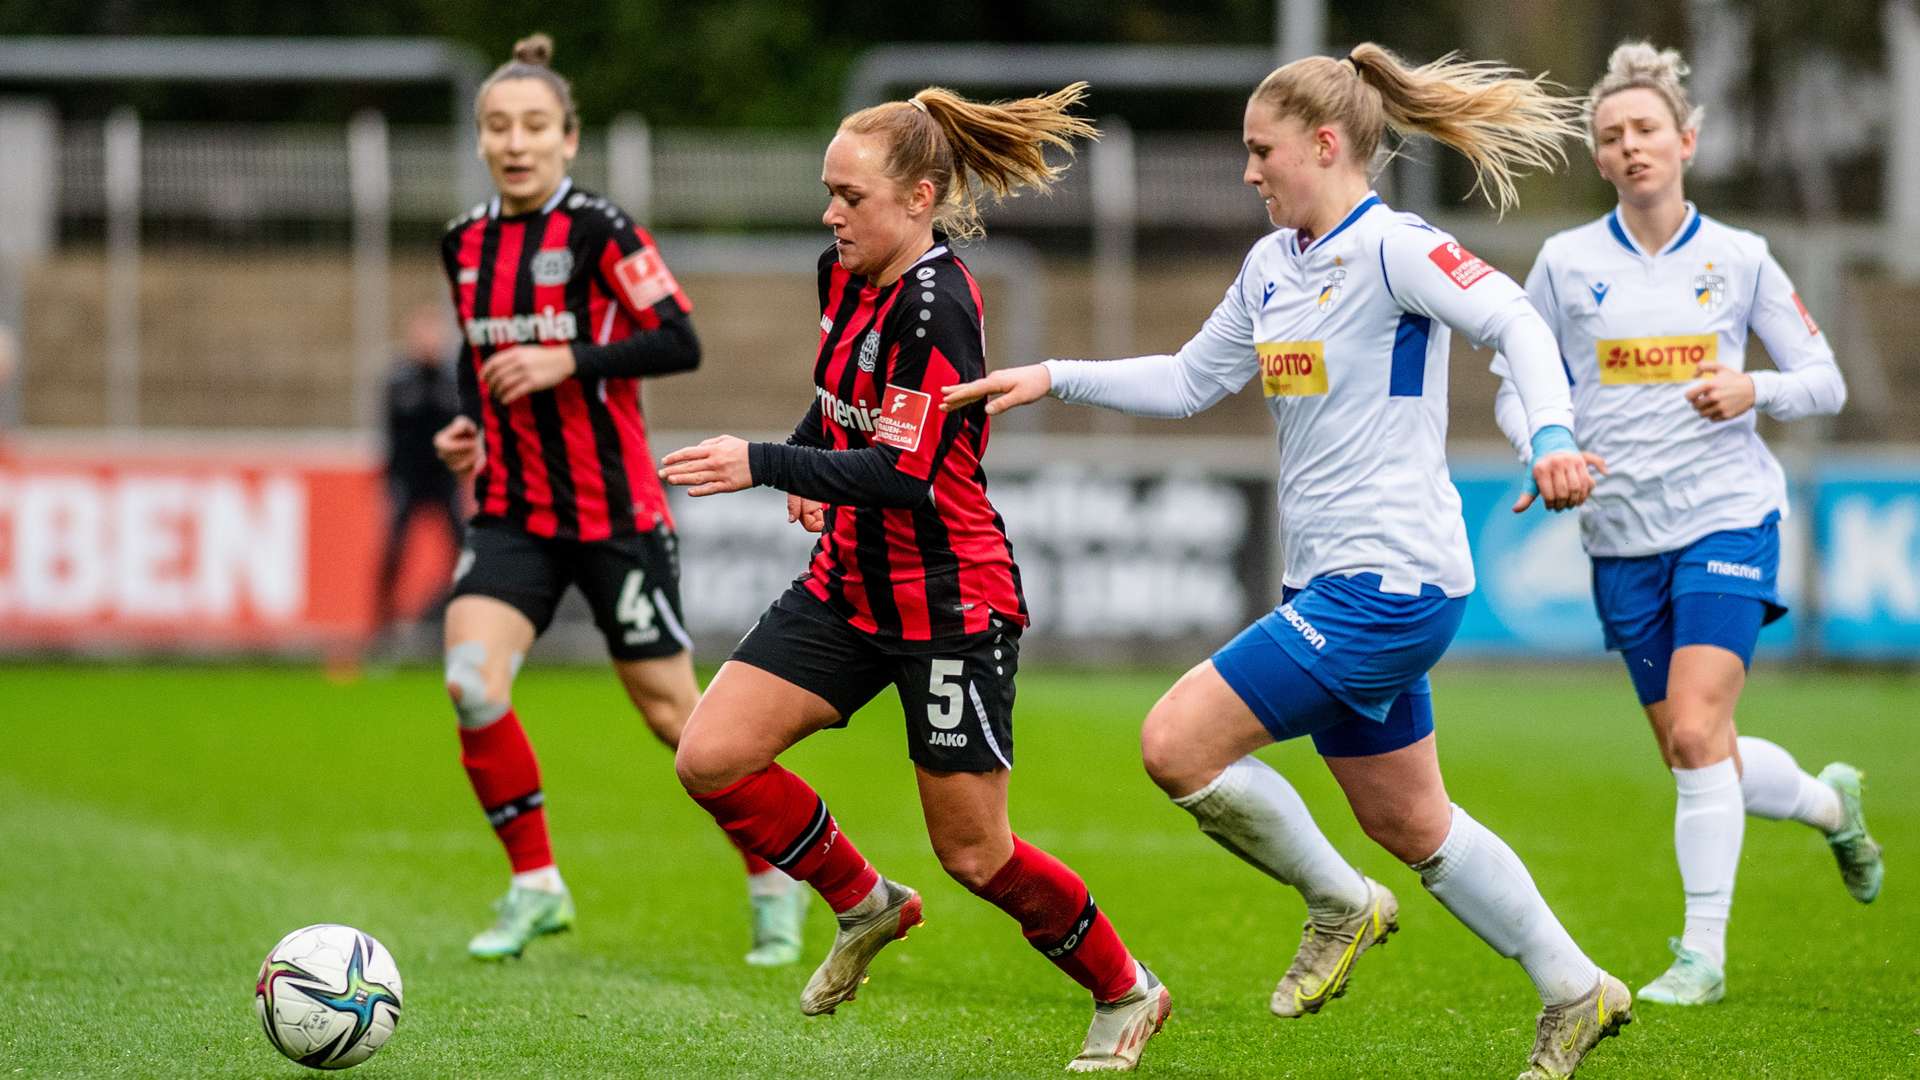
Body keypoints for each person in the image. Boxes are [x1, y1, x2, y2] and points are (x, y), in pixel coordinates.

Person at [945, 44, 1629, 1079]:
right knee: (1409, 819)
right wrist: (1051, 374)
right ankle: (1577, 988)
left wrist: (1552, 436)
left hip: (1390, 582)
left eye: (1262, 151)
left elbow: (1517, 323)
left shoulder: (1397, 248)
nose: (1249, 171)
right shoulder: (1273, 265)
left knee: (1177, 743)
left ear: (1325, 143)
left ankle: (1338, 902)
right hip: (1335, 583)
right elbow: (1189, 381)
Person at [659, 85, 1171, 1073]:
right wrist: (809, 459)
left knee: (975, 854)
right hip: (848, 586)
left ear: (919, 198)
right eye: (829, 193)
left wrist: (765, 463)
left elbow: (905, 473)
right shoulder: (843, 271)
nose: (831, 214)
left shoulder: (940, 307)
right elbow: (839, 403)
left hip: (947, 601)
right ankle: (865, 902)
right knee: (711, 758)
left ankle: (1126, 987)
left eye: (850, 196)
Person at [1489, 41, 1879, 1008]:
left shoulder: (1738, 257)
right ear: (1597, 156)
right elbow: (1513, 387)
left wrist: (1755, 387)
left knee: (1701, 733)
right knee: (1693, 749)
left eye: (1646, 129)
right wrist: (1545, 449)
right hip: (1620, 536)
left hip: (1727, 517)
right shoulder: (1565, 262)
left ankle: (1701, 956)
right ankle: (1828, 803)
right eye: (1611, 135)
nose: (1630, 146)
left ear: (1687, 140)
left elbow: (1824, 380)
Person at [433, 33, 808, 967]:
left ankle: (774, 877)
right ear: (480, 139)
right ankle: (535, 886)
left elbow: (680, 340)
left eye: (534, 126)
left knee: (678, 720)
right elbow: (477, 352)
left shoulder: (600, 230)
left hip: (614, 513)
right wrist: (468, 423)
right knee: (470, 682)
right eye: (497, 126)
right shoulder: (464, 241)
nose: (515, 142)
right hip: (512, 510)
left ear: (568, 138)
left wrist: (568, 359)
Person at [370, 305, 464, 649]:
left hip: (443, 480)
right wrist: (390, 480)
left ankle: (463, 619)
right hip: (407, 480)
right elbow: (389, 435)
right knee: (393, 550)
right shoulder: (399, 381)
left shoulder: (452, 380)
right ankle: (382, 624)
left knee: (463, 550)